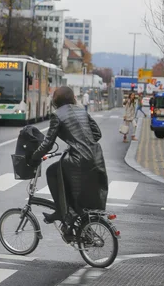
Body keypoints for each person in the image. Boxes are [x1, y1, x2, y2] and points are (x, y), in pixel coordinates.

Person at [30, 86, 108, 236]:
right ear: (72, 98)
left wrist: (34, 157)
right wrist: (82, 142)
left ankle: (60, 211)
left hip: (78, 159)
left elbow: (48, 143)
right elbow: (97, 134)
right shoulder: (81, 111)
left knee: (51, 172)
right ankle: (74, 220)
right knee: (70, 185)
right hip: (96, 157)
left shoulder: (57, 115)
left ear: (56, 100)